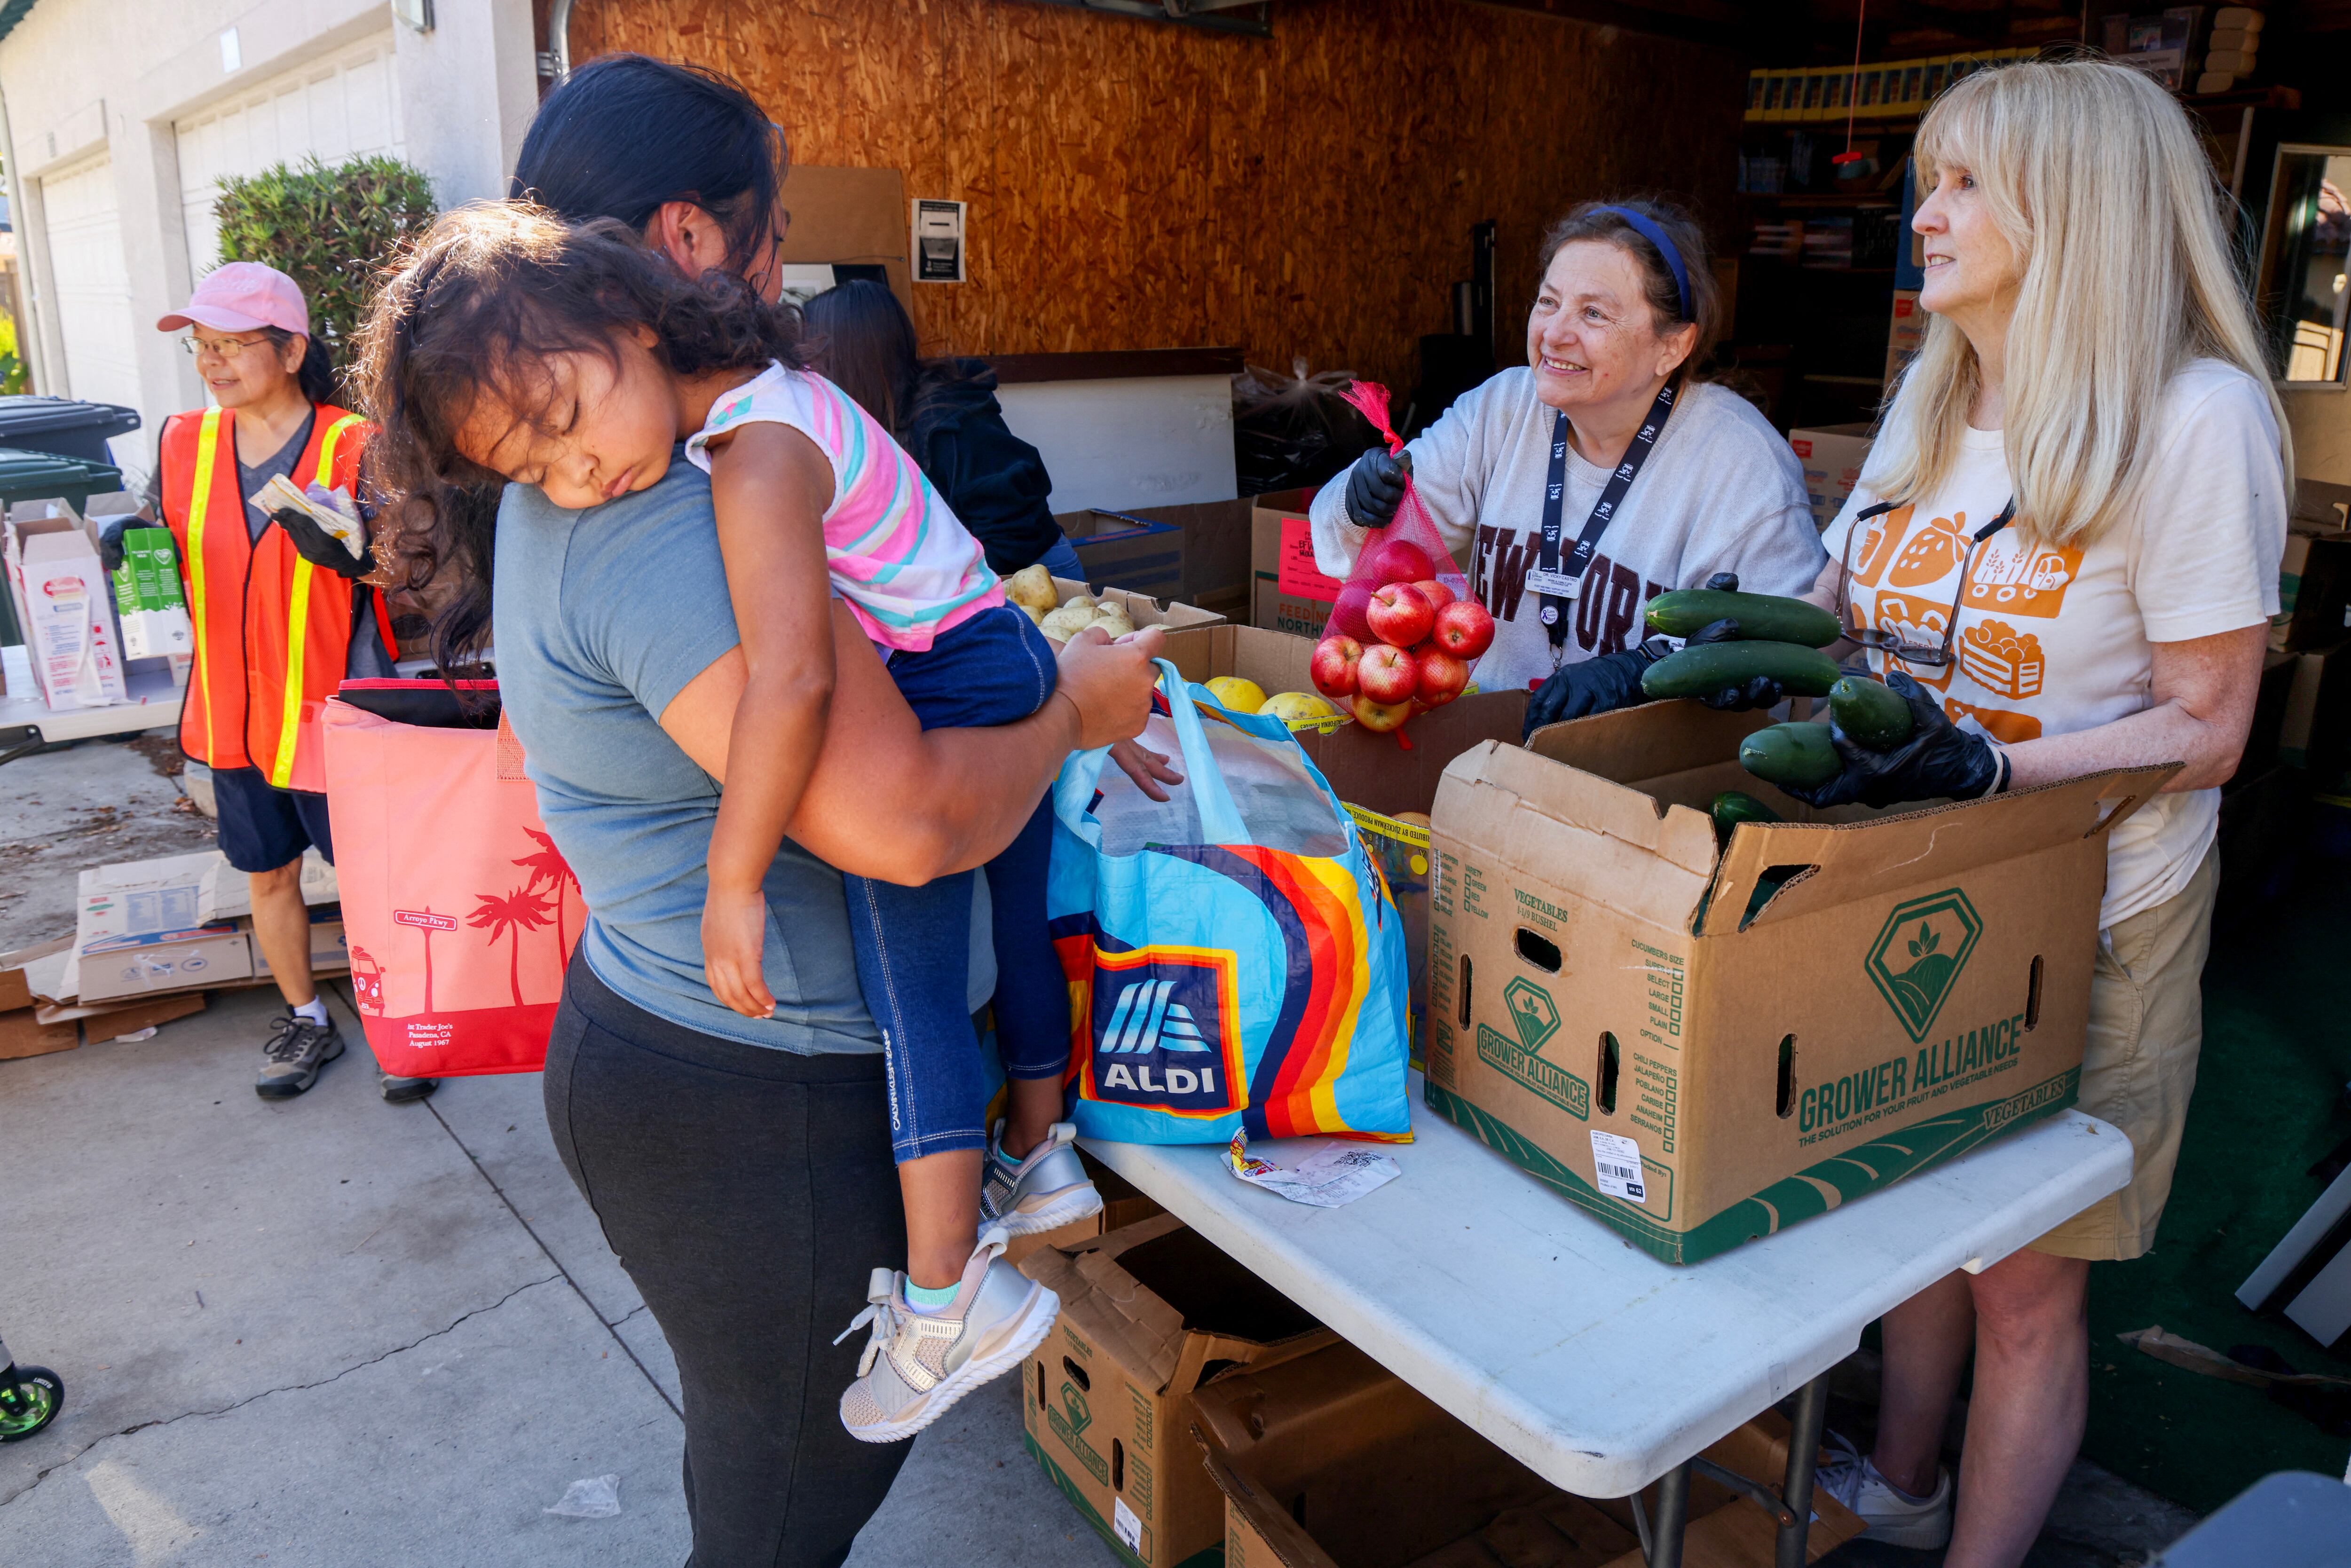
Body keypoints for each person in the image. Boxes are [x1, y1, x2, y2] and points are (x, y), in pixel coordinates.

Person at [372, 54, 1159, 1565]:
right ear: (683, 239)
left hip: (680, 1057)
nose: (782, 253)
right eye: (769, 220)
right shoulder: (678, 501)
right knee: (784, 1500)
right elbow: (910, 826)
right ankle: (977, 1238)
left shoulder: (632, 466)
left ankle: (1017, 1164)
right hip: (752, 1105)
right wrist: (1075, 709)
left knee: (756, 1456)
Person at [1778, 61, 2287, 1566]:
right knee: (1913, 1218)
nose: (1920, 215)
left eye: (1959, 183)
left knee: (2022, 1279)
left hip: (2089, 920)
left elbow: (2207, 729)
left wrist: (1998, 771)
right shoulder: (1936, 400)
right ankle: (1908, 1474)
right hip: (1910, 898)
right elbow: (1832, 606)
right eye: (1926, 179)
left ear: (2074, 207)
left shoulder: (2194, 420)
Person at [106, 263, 431, 1104]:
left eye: (232, 347)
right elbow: (166, 542)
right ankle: (306, 1020)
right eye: (202, 349)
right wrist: (131, 550)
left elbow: (412, 574)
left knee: (366, 879)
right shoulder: (184, 442)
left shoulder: (353, 442)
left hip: (332, 711)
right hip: (232, 713)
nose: (213, 364)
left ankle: (397, 1024)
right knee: (268, 875)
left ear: (290, 350)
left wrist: (361, 562)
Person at [1313, 199, 1825, 732]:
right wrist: (1358, 501)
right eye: (1548, 302)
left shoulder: (1740, 464)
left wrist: (1644, 670)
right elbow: (1361, 551)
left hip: (1641, 780)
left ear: (1672, 346)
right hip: (1483, 749)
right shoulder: (1502, 408)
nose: (1554, 334)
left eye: (1593, 313)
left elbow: (1789, 651)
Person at [803, 279, 1083, 580]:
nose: (804, 366)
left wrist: (930, 585)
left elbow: (1013, 533)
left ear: (847, 356)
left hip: (1034, 577)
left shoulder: (950, 419)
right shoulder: (867, 418)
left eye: (811, 353)